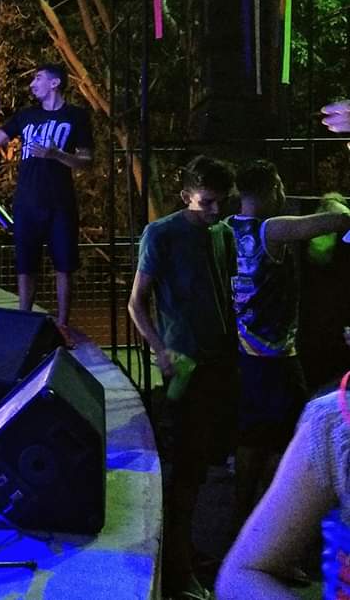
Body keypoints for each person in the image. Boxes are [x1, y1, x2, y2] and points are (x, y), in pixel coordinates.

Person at [126, 155, 237, 600]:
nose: (214, 212)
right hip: (186, 368)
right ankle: (177, 570)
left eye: (220, 203)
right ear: (187, 194)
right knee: (185, 473)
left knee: (206, 468)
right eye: (207, 203)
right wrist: (161, 349)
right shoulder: (162, 233)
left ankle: (191, 556)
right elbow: (136, 303)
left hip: (220, 363)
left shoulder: (221, 233)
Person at [227, 160, 350, 532]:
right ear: (267, 191)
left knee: (252, 438)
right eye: (279, 186)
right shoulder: (271, 229)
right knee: (292, 442)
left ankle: (242, 522)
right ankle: (278, 528)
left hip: (246, 351)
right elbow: (340, 221)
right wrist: (334, 202)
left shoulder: (228, 228)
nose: (283, 194)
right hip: (276, 355)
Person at [0, 63, 92, 331]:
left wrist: (57, 155)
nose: (32, 84)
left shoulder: (76, 116)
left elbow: (87, 161)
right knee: (25, 265)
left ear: (55, 83)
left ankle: (63, 326)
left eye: (38, 78)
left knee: (64, 265)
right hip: (27, 201)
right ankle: (23, 323)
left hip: (61, 202)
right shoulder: (26, 115)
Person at [216, 382, 349, 599]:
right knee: (258, 434)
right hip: (263, 361)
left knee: (269, 436)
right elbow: (241, 574)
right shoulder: (335, 421)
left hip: (278, 361)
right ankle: (243, 517)